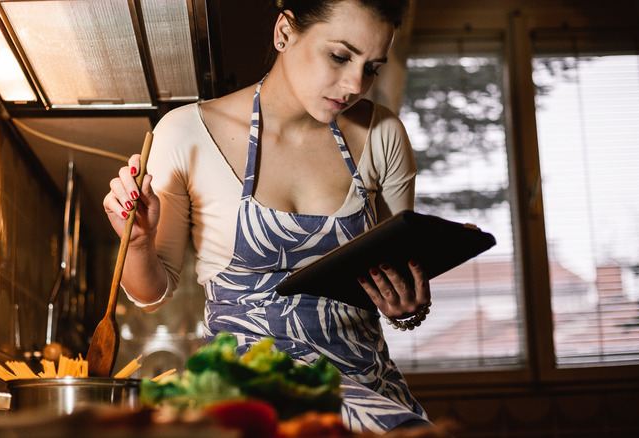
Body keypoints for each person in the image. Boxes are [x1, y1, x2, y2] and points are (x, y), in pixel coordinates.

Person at [105, 0, 433, 432]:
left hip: (369, 389)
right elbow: (152, 291)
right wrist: (140, 243)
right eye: (339, 56)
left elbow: (396, 269)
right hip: (250, 394)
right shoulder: (186, 133)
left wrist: (406, 307)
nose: (355, 83)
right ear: (284, 32)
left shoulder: (382, 135)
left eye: (372, 67)